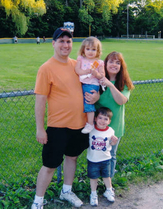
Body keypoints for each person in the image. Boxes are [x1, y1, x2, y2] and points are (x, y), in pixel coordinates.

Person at [32, 28, 95, 209]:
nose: (65, 45)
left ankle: (66, 190)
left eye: (68, 41)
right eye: (61, 41)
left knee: (72, 157)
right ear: (53, 43)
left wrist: (96, 97)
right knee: (50, 165)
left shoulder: (77, 66)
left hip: (80, 125)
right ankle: (38, 201)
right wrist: (40, 128)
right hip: (58, 126)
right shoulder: (46, 68)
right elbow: (40, 101)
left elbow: (92, 86)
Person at [87, 51, 135, 178]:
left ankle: (109, 182)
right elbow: (90, 98)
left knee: (111, 155)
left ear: (121, 67)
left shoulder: (123, 84)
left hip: (115, 127)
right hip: (98, 126)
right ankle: (94, 180)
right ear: (105, 64)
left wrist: (110, 85)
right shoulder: (97, 81)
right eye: (111, 61)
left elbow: (121, 101)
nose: (114, 65)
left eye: (118, 63)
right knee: (95, 154)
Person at [87, 107, 118, 206]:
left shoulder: (110, 131)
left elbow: (111, 144)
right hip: (93, 159)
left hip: (106, 159)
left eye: (106, 119)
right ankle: (93, 193)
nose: (102, 121)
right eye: (100, 118)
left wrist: (114, 141)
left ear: (109, 121)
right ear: (95, 119)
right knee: (93, 177)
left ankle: (108, 190)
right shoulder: (91, 129)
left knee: (106, 176)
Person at [75, 37, 105, 134]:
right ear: (83, 49)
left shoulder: (99, 63)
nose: (90, 52)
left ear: (98, 51)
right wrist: (86, 71)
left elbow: (102, 76)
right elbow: (77, 71)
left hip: (92, 84)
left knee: (88, 102)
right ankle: (84, 121)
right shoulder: (81, 59)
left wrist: (96, 74)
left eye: (93, 49)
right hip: (82, 83)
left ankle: (90, 124)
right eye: (88, 49)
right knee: (81, 103)